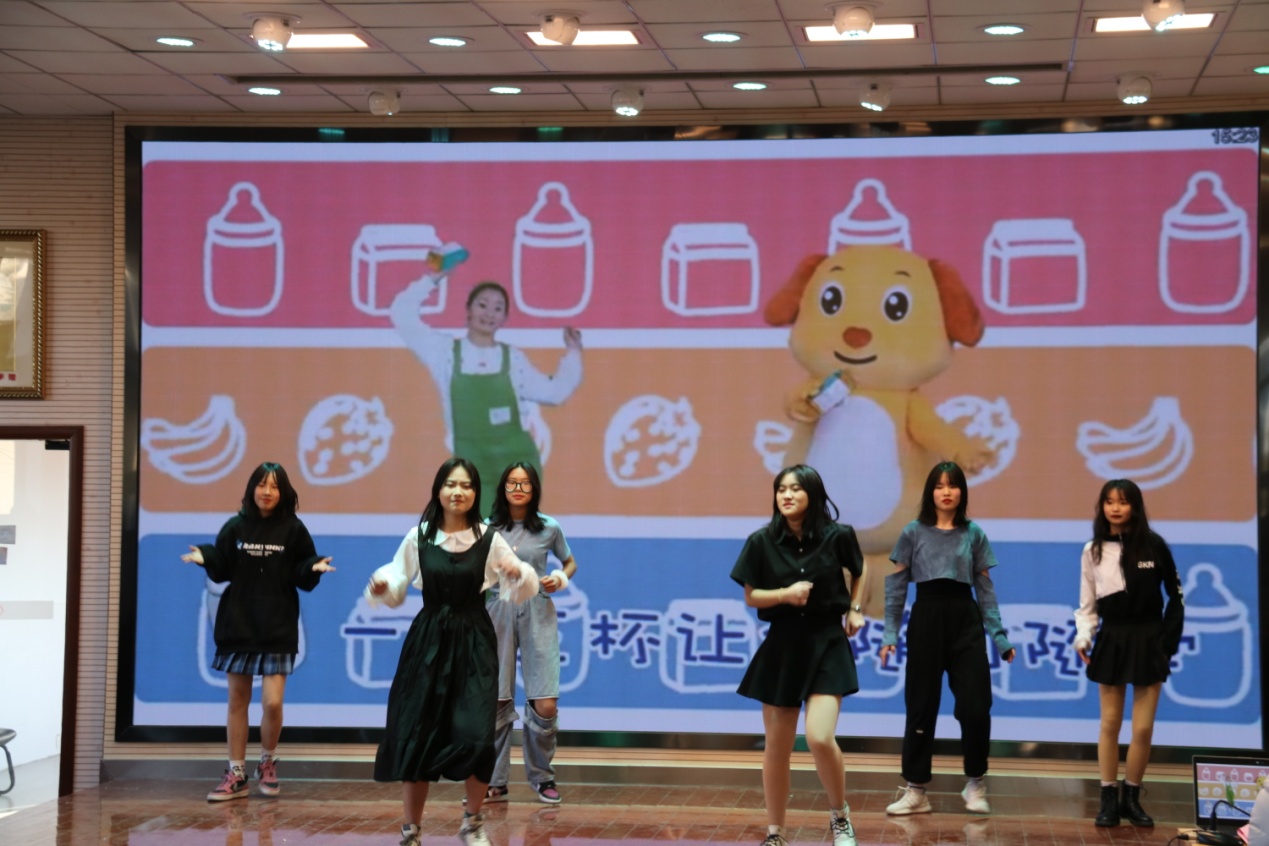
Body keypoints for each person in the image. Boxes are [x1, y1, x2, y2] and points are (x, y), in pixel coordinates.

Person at [366, 458, 539, 846]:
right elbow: (397, 577)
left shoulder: (489, 538)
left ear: (475, 493)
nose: (457, 492)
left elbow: (520, 580)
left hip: (474, 642)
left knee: (476, 732)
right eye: (450, 484)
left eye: (466, 485)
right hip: (428, 642)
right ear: (438, 490)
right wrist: (383, 586)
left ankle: (472, 823)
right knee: (417, 731)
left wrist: (517, 574)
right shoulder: (419, 536)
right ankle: (411, 830)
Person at [180, 461, 334, 802]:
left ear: (284, 492)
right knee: (238, 700)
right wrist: (206, 557)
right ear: (252, 488)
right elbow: (222, 567)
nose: (267, 492)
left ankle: (267, 761)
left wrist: (314, 567)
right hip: (239, 623)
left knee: (273, 703)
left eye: (275, 486)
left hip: (277, 624)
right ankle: (236, 774)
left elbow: (302, 571)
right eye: (262, 485)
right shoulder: (235, 527)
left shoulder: (294, 529)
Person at [730, 464, 867, 846]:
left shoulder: (838, 535)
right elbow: (751, 595)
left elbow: (860, 569)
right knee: (777, 747)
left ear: (813, 494)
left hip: (827, 642)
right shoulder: (762, 541)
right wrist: (785, 595)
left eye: (795, 489)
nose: (786, 496)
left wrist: (855, 608)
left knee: (820, 737)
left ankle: (840, 816)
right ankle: (776, 833)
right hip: (783, 646)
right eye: (781, 490)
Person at [879, 461, 1015, 816]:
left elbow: (985, 590)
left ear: (961, 492)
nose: (946, 492)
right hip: (926, 618)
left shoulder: (973, 534)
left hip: (964, 621)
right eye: (939, 486)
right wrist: (889, 633)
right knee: (920, 707)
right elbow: (896, 587)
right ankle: (916, 790)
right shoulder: (913, 532)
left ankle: (975, 782)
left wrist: (999, 637)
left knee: (976, 706)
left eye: (952, 485)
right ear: (930, 492)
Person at [392, 275, 583, 515]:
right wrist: (433, 276)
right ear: (468, 310)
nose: (489, 313)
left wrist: (573, 353)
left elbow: (554, 393)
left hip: (517, 465)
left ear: (504, 318)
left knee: (512, 535)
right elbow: (402, 315)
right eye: (482, 305)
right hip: (473, 466)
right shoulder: (443, 353)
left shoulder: (513, 359)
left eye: (498, 308)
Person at [1073, 478, 1184, 828]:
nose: (1116, 508)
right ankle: (1107, 798)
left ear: (1134, 506)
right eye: (1109, 502)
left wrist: (1167, 644)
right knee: (1109, 723)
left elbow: (1176, 598)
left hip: (1150, 638)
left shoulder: (1154, 545)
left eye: (1122, 502)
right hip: (1113, 638)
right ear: (1102, 506)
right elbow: (1087, 605)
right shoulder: (1092, 550)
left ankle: (1131, 798)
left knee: (1144, 728)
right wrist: (1083, 638)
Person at [484, 461, 578, 805]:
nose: (518, 489)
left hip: (537, 608)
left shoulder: (549, 527)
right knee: (497, 698)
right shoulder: (488, 528)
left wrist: (560, 578)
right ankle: (494, 781)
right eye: (512, 483)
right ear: (503, 488)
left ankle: (542, 777)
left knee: (546, 702)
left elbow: (570, 562)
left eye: (524, 483)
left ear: (534, 488)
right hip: (497, 608)